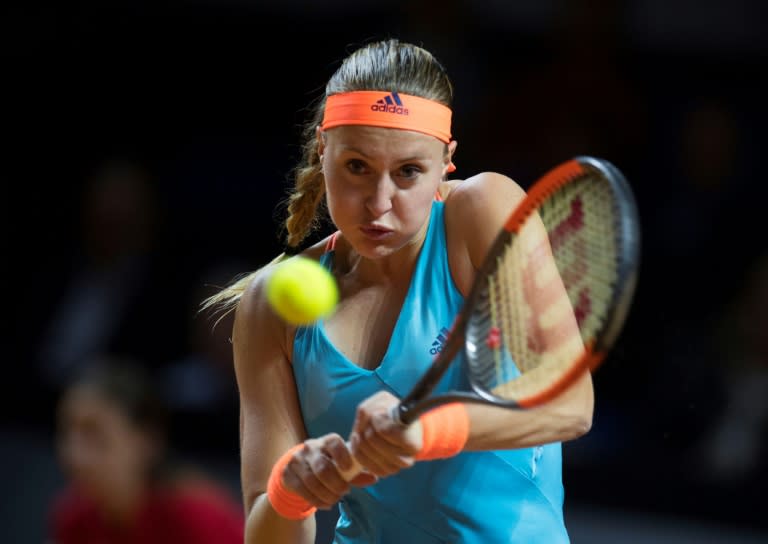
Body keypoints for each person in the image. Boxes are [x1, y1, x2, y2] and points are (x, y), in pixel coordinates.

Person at [202, 38, 594, 544]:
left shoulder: (482, 212)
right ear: (324, 153)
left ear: (446, 163)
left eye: (408, 172)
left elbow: (572, 404)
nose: (379, 203)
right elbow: (269, 530)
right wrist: (291, 490)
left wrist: (427, 430)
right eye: (357, 167)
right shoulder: (268, 302)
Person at [48, 356, 245, 544]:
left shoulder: (197, 517)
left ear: (146, 440)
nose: (74, 453)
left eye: (94, 434)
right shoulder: (73, 516)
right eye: (66, 431)